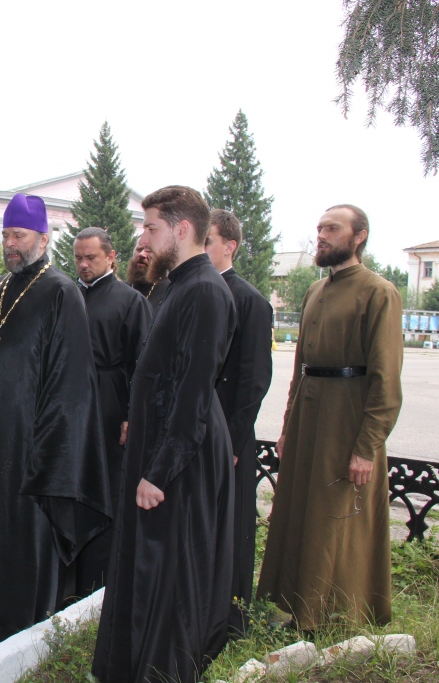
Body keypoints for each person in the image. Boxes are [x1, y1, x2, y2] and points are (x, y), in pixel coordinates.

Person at [0, 193, 113, 652]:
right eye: (5, 235)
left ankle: (10, 625)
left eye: (18, 235)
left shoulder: (61, 292)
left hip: (27, 439)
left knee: (16, 531)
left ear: (42, 237)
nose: (10, 244)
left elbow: (71, 380)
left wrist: (49, 444)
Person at [93, 186, 236, 683]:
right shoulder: (176, 285)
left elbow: (194, 392)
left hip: (180, 458)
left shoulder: (206, 291)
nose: (145, 238)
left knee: (170, 571)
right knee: (145, 564)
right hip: (158, 443)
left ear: (182, 229)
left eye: (152, 227)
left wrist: (159, 472)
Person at [257, 205, 403, 629]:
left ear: (359, 236)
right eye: (319, 228)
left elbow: (386, 379)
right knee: (300, 511)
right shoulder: (315, 291)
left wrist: (366, 447)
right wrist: (288, 426)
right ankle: (297, 606)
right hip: (308, 416)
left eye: (332, 229)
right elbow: (301, 367)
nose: (320, 235)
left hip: (347, 419)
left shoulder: (379, 292)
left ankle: (336, 616)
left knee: (335, 515)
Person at [204, 209, 273, 636]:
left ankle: (231, 617)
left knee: (232, 527)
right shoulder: (196, 290)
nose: (201, 248)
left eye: (208, 241)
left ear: (229, 246)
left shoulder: (249, 300)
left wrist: (231, 440)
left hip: (229, 434)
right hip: (199, 428)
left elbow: (254, 379)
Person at [72, 227, 151, 594]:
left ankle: (98, 584)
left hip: (109, 406)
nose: (84, 264)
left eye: (91, 257)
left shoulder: (130, 301)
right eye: (78, 258)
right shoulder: (66, 295)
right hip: (67, 405)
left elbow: (143, 364)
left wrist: (132, 414)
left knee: (104, 490)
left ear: (111, 257)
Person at [126, 242, 171, 308]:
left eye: (149, 251)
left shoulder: (169, 290)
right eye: (139, 250)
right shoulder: (120, 289)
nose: (142, 254)